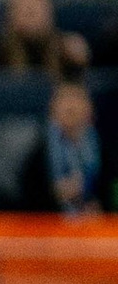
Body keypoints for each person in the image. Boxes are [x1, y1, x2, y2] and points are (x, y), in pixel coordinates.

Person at [17, 76, 108, 213]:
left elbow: (111, 188)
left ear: (90, 109)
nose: (71, 106)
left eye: (77, 99)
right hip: (51, 224)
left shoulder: (105, 148)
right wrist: (54, 193)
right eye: (64, 99)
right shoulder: (38, 151)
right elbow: (26, 199)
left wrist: (101, 208)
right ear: (52, 109)